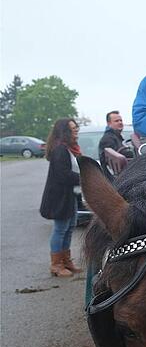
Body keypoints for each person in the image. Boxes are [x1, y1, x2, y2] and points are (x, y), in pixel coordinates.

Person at [40, 118, 83, 277]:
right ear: (64, 131)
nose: (76, 130)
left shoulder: (69, 148)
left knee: (70, 227)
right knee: (60, 229)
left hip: (69, 195)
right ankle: (56, 265)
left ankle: (66, 261)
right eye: (73, 129)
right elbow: (62, 175)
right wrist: (83, 177)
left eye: (76, 127)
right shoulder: (60, 150)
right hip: (59, 197)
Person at [98, 110, 132, 178]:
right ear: (109, 123)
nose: (120, 122)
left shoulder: (117, 137)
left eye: (121, 120)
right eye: (116, 121)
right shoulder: (107, 139)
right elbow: (116, 158)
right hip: (115, 181)